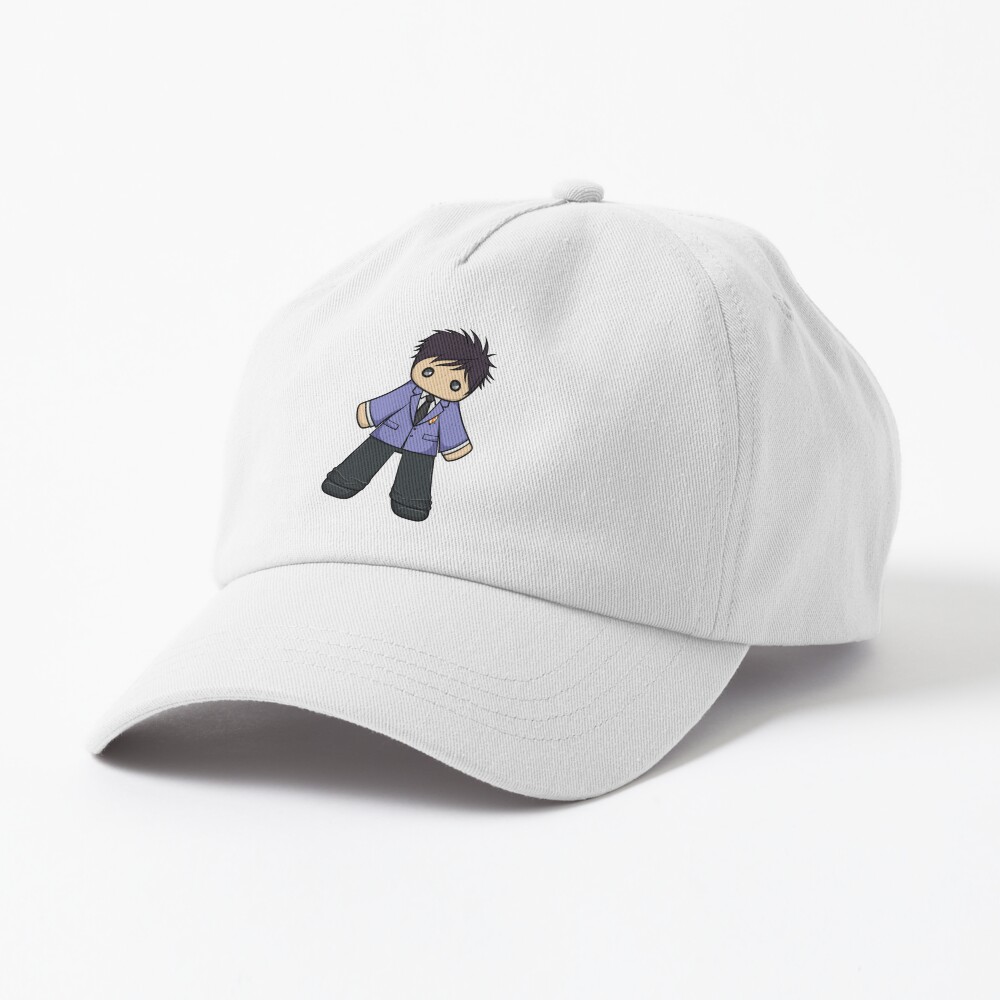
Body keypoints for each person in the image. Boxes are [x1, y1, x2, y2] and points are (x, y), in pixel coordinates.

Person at [321, 328, 496, 521]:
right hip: (391, 431)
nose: (437, 383)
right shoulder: (409, 390)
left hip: (423, 444)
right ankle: (345, 480)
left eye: (454, 385)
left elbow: (452, 426)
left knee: (416, 469)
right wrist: (369, 413)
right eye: (429, 372)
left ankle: (410, 500)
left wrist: (455, 447)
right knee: (369, 454)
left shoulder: (449, 407)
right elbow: (390, 401)